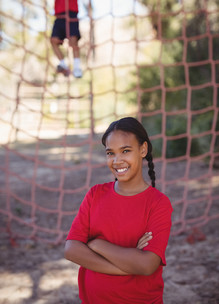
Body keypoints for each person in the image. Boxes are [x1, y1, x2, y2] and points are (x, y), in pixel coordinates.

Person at [64, 116, 173, 304]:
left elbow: (147, 265)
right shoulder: (95, 194)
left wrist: (97, 244)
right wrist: (127, 265)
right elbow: (72, 250)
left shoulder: (158, 204)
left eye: (125, 151)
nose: (117, 160)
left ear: (143, 149)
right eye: (110, 153)